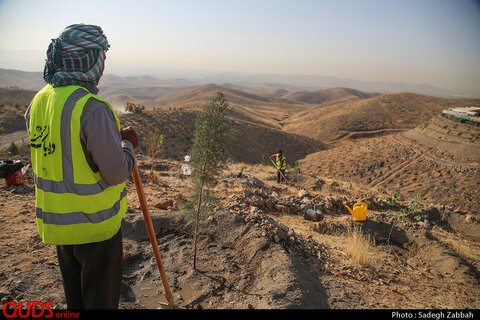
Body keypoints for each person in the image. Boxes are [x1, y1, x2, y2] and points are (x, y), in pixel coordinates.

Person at [24, 24, 138, 309]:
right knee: (99, 301)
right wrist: (128, 146)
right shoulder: (92, 107)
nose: (102, 65)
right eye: (100, 57)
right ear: (89, 60)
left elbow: (65, 149)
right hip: (95, 226)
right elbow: (116, 173)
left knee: (75, 301)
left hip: (59, 225)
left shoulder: (39, 101)